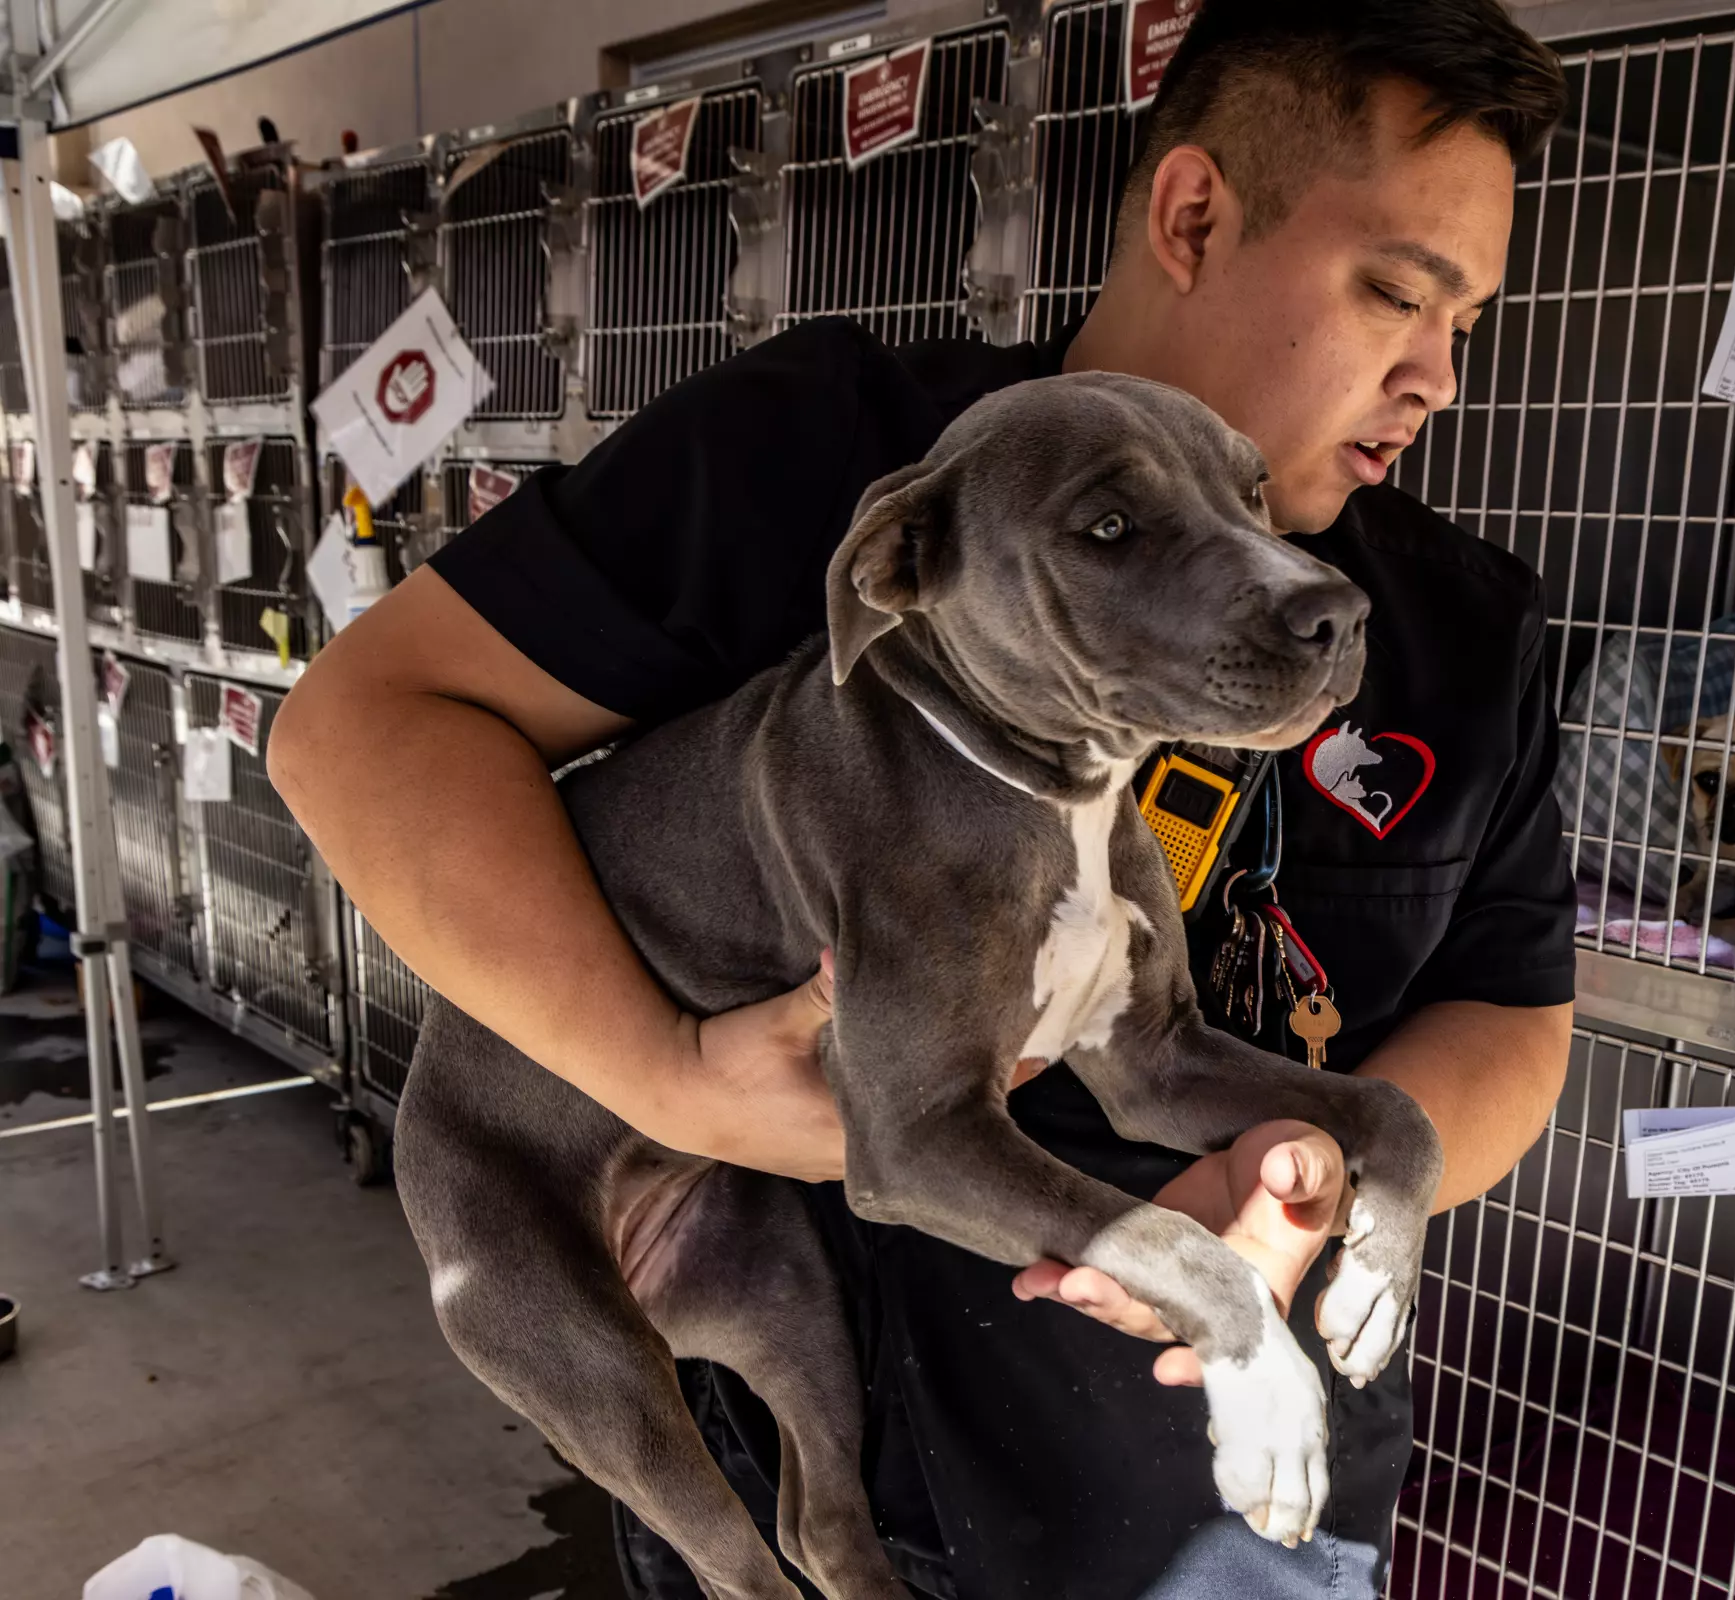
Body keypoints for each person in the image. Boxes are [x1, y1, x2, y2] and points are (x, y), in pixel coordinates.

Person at [268, 2, 1575, 1595]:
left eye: (1471, 327)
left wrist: (1342, 1186)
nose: (1434, 375)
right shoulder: (827, 454)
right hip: (792, 1413)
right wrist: (667, 1077)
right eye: (1395, 293)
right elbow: (359, 728)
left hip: (1216, 1484)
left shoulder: (1462, 629)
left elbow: (1512, 1015)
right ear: (1193, 214)